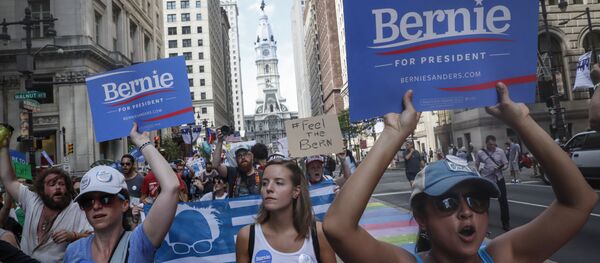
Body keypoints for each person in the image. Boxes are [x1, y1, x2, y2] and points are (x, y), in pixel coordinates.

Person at [322, 84, 598, 263]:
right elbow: (338, 228)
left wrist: (522, 120)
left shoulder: (504, 256)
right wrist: (393, 134)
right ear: (422, 218)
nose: (466, 212)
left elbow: (579, 202)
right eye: (447, 202)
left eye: (476, 200)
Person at [64, 123, 180, 262]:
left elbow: (171, 187)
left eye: (106, 199)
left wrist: (142, 142)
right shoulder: (73, 251)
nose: (96, 206)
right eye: (87, 202)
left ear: (125, 204)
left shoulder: (139, 243)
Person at [0, 128, 91, 262]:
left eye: (62, 184)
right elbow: (9, 180)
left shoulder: (78, 209)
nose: (58, 187)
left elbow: (95, 237)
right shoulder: (32, 200)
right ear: (42, 189)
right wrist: (4, 147)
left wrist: (73, 236)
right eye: (52, 184)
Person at [235, 159, 337, 263]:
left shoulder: (318, 233)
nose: (269, 188)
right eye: (264, 183)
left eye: (279, 183)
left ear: (296, 191)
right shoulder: (247, 237)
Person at [476, 135, 510, 231]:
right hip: (486, 179)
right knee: (485, 202)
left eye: (494, 144)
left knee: (503, 200)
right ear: (486, 143)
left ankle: (505, 222)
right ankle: (484, 223)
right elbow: (477, 164)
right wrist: (479, 172)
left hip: (499, 178)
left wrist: (502, 167)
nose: (492, 146)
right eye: (490, 144)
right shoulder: (480, 153)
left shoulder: (500, 151)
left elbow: (506, 163)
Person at [213, 130, 262, 198]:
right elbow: (215, 165)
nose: (242, 157)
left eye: (245, 154)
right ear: (236, 159)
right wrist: (220, 142)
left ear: (251, 156)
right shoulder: (233, 172)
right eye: (239, 156)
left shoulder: (262, 175)